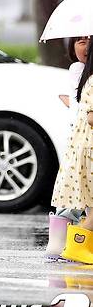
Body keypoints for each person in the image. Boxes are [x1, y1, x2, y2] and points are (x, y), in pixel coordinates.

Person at [46, 36, 89, 260]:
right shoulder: (78, 70)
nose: (86, 46)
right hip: (81, 139)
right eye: (80, 41)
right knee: (76, 192)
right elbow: (82, 105)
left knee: (84, 194)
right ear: (72, 46)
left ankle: (71, 242)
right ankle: (60, 244)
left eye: (91, 40)